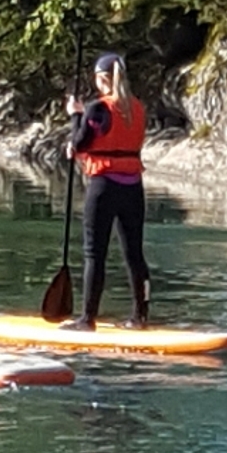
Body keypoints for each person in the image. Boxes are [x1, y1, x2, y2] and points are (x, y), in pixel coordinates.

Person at [66, 52, 155, 331]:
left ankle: (87, 319)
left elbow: (80, 144)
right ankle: (140, 317)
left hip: (104, 186)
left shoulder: (98, 109)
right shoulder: (138, 108)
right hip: (133, 188)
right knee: (134, 254)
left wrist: (75, 116)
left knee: (95, 253)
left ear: (101, 79)